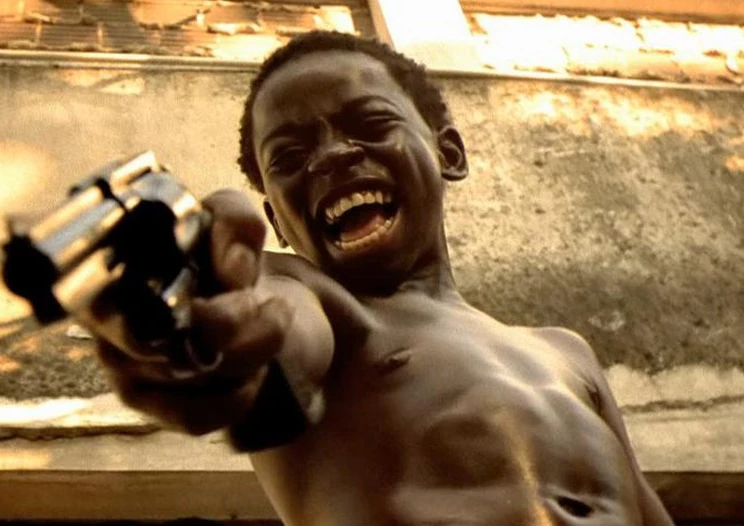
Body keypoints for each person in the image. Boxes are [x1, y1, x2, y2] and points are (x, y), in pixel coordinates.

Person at [96, 31, 675, 525]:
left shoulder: (567, 352)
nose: (330, 156)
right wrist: (205, 323)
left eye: (371, 122)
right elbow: (274, 326)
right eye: (289, 157)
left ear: (449, 154)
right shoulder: (313, 299)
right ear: (277, 221)